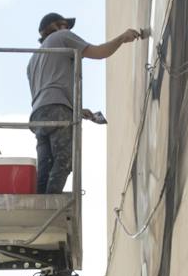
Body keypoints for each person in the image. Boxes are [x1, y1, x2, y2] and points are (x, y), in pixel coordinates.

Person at [28, 11, 146, 196]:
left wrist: (77, 110)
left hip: (38, 116)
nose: (67, 29)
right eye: (65, 25)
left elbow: (47, 92)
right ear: (56, 27)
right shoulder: (62, 36)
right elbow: (99, 52)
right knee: (64, 160)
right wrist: (122, 38)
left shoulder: (33, 59)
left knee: (46, 165)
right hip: (58, 109)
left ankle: (39, 206)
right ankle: (51, 204)